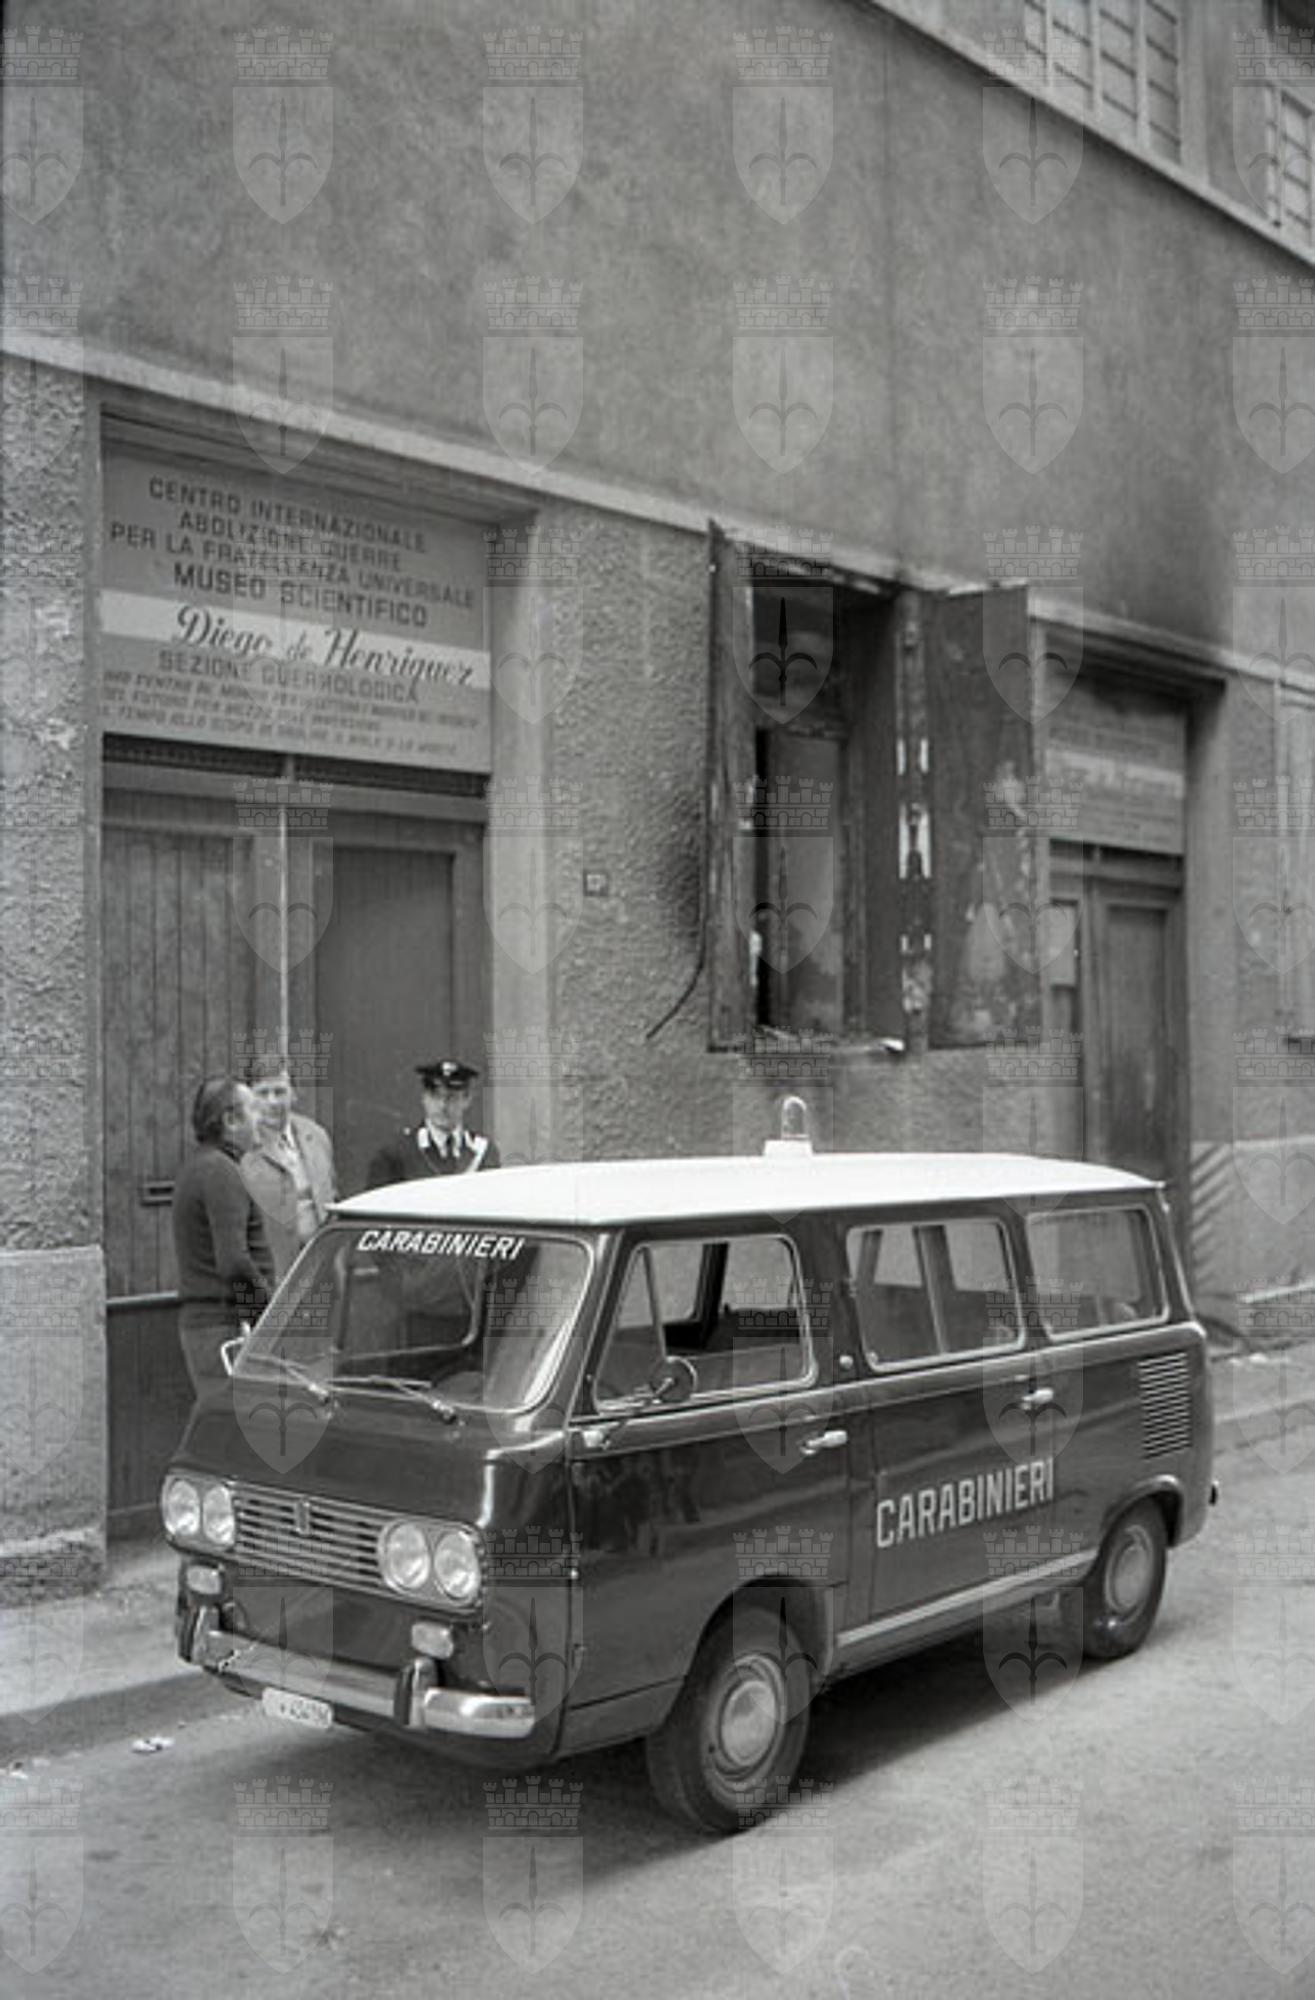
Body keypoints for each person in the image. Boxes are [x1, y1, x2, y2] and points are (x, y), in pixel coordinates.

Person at [172, 1075, 276, 1394]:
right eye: (254, 1109)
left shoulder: (201, 1166)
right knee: (233, 1420)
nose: (262, 1117)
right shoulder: (221, 1171)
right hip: (224, 1326)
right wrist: (269, 1318)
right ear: (231, 1121)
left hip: (210, 1323)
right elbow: (233, 1262)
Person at [239, 1054, 337, 1284]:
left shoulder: (316, 1136)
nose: (273, 1102)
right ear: (250, 1098)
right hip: (276, 1277)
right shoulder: (244, 1146)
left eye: (280, 1092)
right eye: (263, 1093)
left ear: (293, 1093)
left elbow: (332, 1195)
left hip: (324, 1271)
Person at [366, 1057, 501, 1188]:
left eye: (451, 1097)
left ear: (467, 1099)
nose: (443, 1105)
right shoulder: (398, 1154)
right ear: (424, 1098)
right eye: (435, 1096)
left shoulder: (484, 1153)